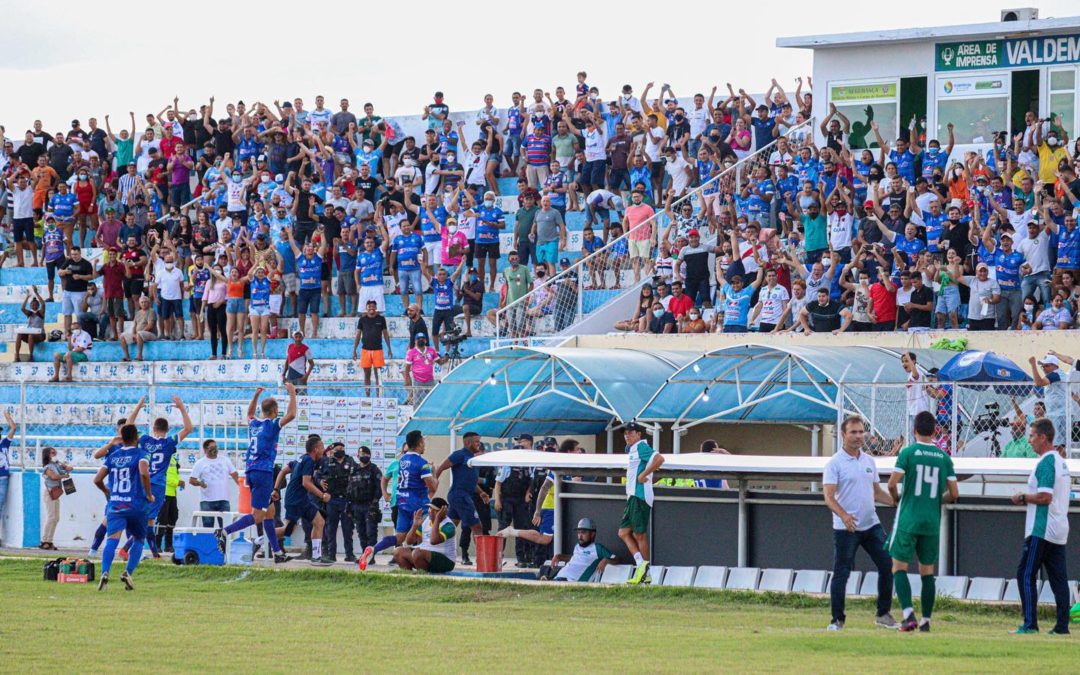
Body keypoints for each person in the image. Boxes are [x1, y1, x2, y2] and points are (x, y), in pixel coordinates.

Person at [887, 410, 959, 633]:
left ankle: (908, 614)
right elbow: (955, 493)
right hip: (931, 520)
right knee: (927, 570)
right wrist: (937, 499)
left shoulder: (908, 453)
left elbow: (892, 483)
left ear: (914, 430)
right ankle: (926, 620)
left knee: (899, 566)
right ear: (935, 430)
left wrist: (897, 498)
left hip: (909, 517)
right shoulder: (944, 458)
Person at [823, 416, 897, 631]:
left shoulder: (868, 461)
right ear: (843, 435)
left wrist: (896, 502)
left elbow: (876, 492)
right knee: (842, 572)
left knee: (888, 564)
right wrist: (844, 515)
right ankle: (837, 619)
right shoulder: (834, 464)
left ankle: (883, 614)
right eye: (853, 432)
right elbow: (828, 496)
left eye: (861, 432)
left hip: (871, 524)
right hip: (847, 528)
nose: (858, 436)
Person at [216, 384, 298, 564]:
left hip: (251, 471)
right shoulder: (271, 425)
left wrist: (255, 396)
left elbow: (249, 413)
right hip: (263, 472)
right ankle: (224, 532)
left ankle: (277, 553)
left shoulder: (254, 424)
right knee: (258, 515)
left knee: (270, 512)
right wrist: (292, 393)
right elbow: (291, 415)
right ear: (275, 410)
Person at [1011, 417, 1071, 635]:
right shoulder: (1061, 462)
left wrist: (1023, 497)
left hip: (1042, 528)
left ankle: (1030, 624)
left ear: (1043, 438)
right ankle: (1062, 626)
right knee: (1058, 579)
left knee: (1025, 574)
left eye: (1032, 435)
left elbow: (1045, 496)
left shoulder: (1046, 462)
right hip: (1059, 527)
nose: (1030, 440)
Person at [358, 429, 437, 570]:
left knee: (399, 538)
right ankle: (422, 566)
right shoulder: (422, 463)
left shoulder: (401, 461)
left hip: (402, 504)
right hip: (418, 506)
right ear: (419, 444)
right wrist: (435, 474)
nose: (425, 445)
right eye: (423, 443)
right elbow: (432, 487)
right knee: (424, 536)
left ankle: (373, 549)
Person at [92, 424, 153, 591]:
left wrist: (107, 491)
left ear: (122, 439)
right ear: (136, 438)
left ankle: (105, 573)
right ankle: (128, 572)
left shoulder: (113, 456)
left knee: (112, 539)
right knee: (139, 539)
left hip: (116, 505)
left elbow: (97, 479)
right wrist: (148, 494)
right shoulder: (141, 454)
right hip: (136, 505)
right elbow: (143, 472)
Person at [618, 421, 664, 585]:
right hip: (632, 496)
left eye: (630, 432)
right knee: (623, 532)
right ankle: (642, 567)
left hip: (640, 496)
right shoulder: (632, 450)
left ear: (638, 434)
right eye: (625, 433)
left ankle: (644, 571)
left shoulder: (641, 447)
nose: (627, 436)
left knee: (639, 535)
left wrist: (643, 475)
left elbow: (659, 459)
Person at [435, 431, 490, 565]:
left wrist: (481, 492)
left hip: (461, 496)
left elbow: (471, 480)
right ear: (467, 442)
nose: (479, 444)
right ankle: (484, 560)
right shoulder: (459, 454)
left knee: (450, 527)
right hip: (460, 496)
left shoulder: (473, 458)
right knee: (477, 527)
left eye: (479, 441)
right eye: (476, 441)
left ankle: (435, 551)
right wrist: (433, 485)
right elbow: (441, 467)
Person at [276, 435, 332, 566]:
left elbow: (283, 471)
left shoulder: (301, 459)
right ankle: (259, 540)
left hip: (302, 500)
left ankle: (316, 557)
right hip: (295, 500)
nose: (323, 451)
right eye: (322, 448)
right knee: (287, 530)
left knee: (319, 522)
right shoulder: (308, 461)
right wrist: (322, 495)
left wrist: (275, 489)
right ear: (316, 449)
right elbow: (306, 483)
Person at [319, 441, 359, 563]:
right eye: (337, 449)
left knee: (348, 528)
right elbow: (317, 474)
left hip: (347, 500)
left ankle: (349, 554)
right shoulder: (327, 462)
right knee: (331, 528)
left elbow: (358, 474)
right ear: (332, 451)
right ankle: (331, 554)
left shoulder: (351, 461)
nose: (340, 450)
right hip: (332, 499)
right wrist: (320, 481)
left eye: (342, 448)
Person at [394, 496, 457, 574]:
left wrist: (437, 519)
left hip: (446, 560)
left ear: (442, 513)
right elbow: (409, 541)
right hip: (424, 554)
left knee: (417, 553)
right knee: (398, 551)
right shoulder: (426, 520)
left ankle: (423, 576)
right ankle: (410, 578)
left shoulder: (449, 525)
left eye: (434, 510)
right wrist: (415, 525)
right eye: (430, 508)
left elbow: (433, 541)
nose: (430, 511)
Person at [188, 438, 240, 527]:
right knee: (208, 528)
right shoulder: (200, 463)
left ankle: (223, 541)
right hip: (207, 501)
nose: (214, 449)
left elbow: (235, 475)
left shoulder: (225, 460)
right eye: (211, 447)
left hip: (223, 500)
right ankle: (209, 541)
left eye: (215, 447)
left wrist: (242, 488)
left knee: (225, 527)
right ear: (205, 449)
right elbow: (192, 480)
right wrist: (200, 483)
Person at [547, 517, 615, 582]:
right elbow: (577, 558)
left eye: (583, 532)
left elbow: (619, 559)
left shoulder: (598, 548)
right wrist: (560, 556)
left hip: (573, 581)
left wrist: (607, 560)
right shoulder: (577, 546)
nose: (580, 536)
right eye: (579, 532)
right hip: (559, 577)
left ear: (592, 534)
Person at [348, 446, 384, 560]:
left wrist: (374, 503)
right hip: (356, 506)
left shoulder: (374, 469)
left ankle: (370, 556)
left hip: (370, 505)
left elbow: (379, 488)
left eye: (366, 454)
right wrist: (348, 505)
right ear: (357, 456)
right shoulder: (354, 470)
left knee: (371, 532)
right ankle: (364, 555)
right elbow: (349, 488)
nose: (364, 456)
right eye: (361, 454)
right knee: (361, 532)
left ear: (370, 456)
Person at [353, 300, 392, 395]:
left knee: (377, 375)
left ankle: (378, 397)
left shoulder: (381, 319)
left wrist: (389, 348)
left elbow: (386, 334)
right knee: (367, 375)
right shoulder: (362, 320)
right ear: (366, 308)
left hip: (378, 350)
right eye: (369, 306)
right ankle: (368, 396)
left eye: (373, 306)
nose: (371, 308)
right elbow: (358, 335)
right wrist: (354, 350)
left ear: (376, 308)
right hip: (365, 350)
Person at [40, 446, 72, 550]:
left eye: (54, 452)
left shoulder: (56, 464)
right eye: (52, 453)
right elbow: (53, 476)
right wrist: (64, 476)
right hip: (50, 492)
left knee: (56, 518)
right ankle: (45, 540)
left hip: (56, 493)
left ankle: (49, 540)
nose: (54, 454)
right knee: (51, 517)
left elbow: (68, 468)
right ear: (47, 455)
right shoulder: (48, 467)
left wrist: (65, 466)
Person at [0, 412, 14, 546]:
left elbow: (13, 428)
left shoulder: (4, 442)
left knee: (0, 505)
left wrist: (8, 418)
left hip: (2, 478)